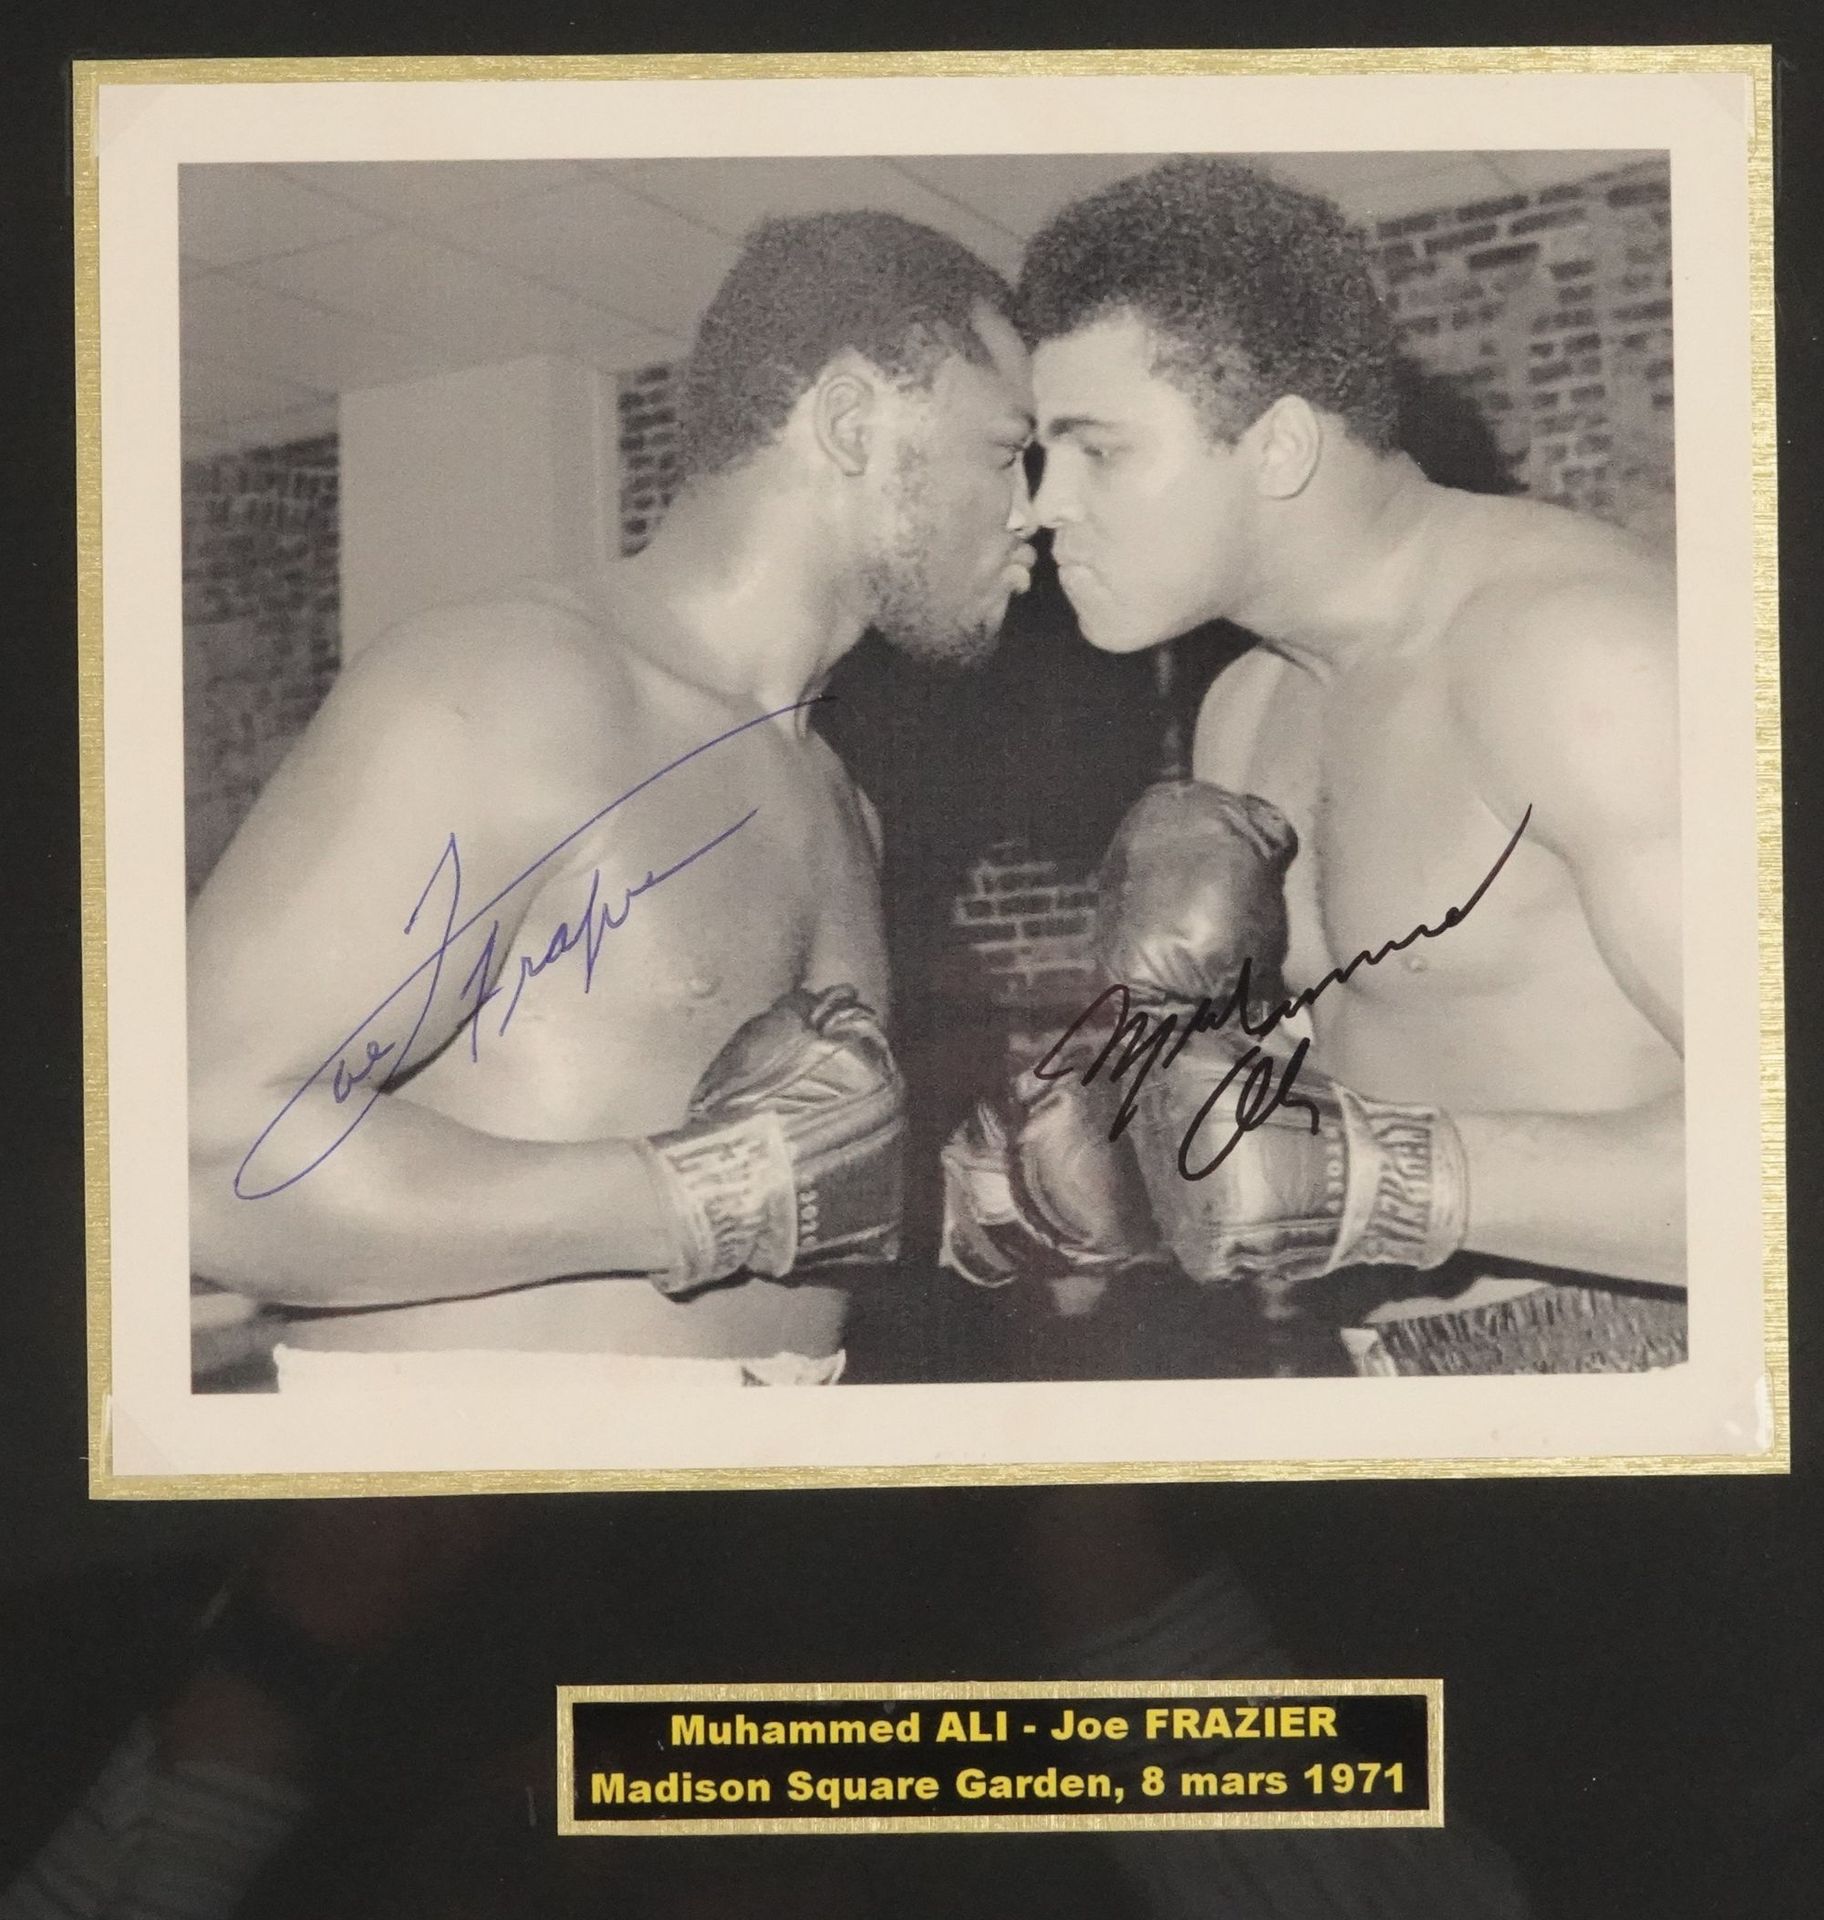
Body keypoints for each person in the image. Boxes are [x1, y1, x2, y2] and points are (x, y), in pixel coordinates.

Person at [186, 209, 1038, 1391]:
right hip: (473, 1530)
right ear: (853, 426)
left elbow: (769, 1185)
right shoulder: (508, 685)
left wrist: (952, 1208)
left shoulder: (836, 790)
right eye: (1007, 453)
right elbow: (195, 1146)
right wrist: (691, 1199)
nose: (1035, 508)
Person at [947, 157, 1685, 1376]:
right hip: (1387, 1378)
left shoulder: (1574, 650)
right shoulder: (1252, 710)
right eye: (1038, 455)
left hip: (1664, 1369)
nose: (1039, 507)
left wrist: (1393, 1181)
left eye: (1097, 452)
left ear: (1280, 444)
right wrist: (1118, 1156)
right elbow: (1300, 1112)